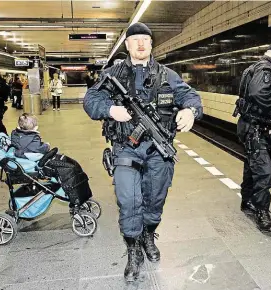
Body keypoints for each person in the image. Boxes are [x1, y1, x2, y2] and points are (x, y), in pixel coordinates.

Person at [83, 22, 202, 282]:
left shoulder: (167, 75)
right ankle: (133, 249)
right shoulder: (113, 73)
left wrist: (189, 111)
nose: (140, 44)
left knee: (155, 199)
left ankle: (148, 235)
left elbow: (191, 96)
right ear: (127, 45)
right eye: (135, 39)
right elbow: (91, 100)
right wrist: (110, 110)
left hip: (159, 151)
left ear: (151, 44)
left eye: (145, 40)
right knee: (129, 201)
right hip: (127, 147)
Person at [236, 43, 271, 234]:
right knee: (264, 172)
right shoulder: (266, 68)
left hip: (248, 125)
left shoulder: (253, 67)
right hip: (254, 128)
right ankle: (262, 213)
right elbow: (259, 93)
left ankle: (247, 200)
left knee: (252, 165)